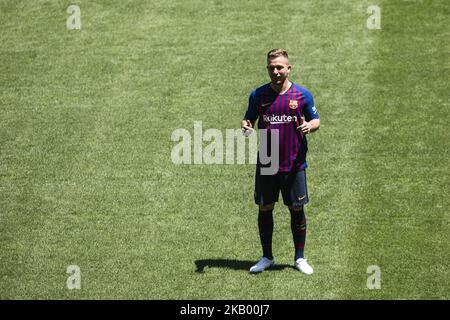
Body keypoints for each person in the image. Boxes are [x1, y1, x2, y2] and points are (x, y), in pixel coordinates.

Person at [241, 49, 320, 274]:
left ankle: (300, 258)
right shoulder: (258, 95)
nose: (275, 71)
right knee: (265, 207)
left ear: (288, 68)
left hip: (294, 163)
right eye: (271, 67)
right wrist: (246, 126)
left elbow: (316, 120)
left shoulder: (302, 95)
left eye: (279, 67)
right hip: (267, 162)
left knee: (296, 208)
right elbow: (249, 119)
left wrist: (310, 126)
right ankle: (267, 257)